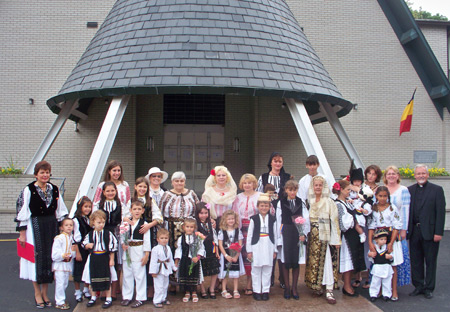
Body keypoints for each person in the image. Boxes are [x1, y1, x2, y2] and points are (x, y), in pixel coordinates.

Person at [16, 161, 68, 309]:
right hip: (35, 227)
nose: (45, 175)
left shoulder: (54, 189)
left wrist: (62, 231)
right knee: (36, 259)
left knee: (49, 259)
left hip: (51, 226)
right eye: (42, 172)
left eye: (47, 172)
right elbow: (22, 212)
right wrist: (22, 234)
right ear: (36, 174)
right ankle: (37, 293)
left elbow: (60, 211)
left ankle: (45, 292)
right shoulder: (29, 190)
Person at [407, 164, 446, 299]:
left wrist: (439, 232)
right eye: (418, 174)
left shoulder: (437, 190)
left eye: (423, 173)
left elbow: (440, 213)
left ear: (427, 175)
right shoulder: (409, 190)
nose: (421, 176)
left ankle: (429, 287)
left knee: (430, 261)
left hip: (430, 231)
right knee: (416, 261)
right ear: (415, 175)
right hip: (414, 231)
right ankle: (418, 285)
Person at [304, 176, 341, 304]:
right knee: (314, 262)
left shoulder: (329, 201)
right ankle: (317, 286)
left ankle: (329, 289)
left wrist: (336, 240)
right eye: (316, 185)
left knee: (326, 262)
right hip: (313, 235)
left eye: (320, 185)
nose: (318, 187)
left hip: (325, 232)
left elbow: (334, 221)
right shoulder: (310, 200)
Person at [367, 186, 403, 302]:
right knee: (379, 264)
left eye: (385, 196)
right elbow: (371, 227)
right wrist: (370, 243)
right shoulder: (373, 209)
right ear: (376, 196)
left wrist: (391, 243)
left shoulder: (392, 208)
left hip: (390, 238)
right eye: (380, 196)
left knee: (392, 265)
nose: (382, 198)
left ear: (388, 197)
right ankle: (380, 290)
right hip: (378, 240)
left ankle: (393, 290)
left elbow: (397, 226)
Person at [276, 180, 309, 300]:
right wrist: (279, 236)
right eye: (290, 190)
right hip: (286, 232)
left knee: (296, 262)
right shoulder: (281, 202)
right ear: (286, 190)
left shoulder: (301, 202)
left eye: (294, 190)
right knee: (285, 261)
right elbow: (278, 220)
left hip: (297, 233)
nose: (292, 192)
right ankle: (287, 287)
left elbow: (306, 218)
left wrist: (303, 233)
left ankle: (295, 287)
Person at [333, 180, 366, 297]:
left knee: (351, 262)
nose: (349, 192)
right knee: (347, 263)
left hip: (352, 236)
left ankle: (348, 285)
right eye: (348, 190)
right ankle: (346, 286)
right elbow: (342, 225)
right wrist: (353, 219)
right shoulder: (338, 204)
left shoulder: (347, 202)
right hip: (346, 237)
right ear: (341, 190)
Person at [132, 176, 163, 300]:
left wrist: (148, 225)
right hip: (134, 234)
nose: (142, 189)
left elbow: (158, 217)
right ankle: (137, 289)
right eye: (140, 186)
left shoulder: (150, 201)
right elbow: (125, 216)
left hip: (148, 232)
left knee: (148, 260)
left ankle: (150, 288)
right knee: (136, 261)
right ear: (135, 187)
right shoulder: (131, 200)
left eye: (144, 187)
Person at [81, 210, 118, 309]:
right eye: (99, 222)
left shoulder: (108, 234)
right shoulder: (90, 234)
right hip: (93, 257)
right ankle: (93, 297)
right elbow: (83, 243)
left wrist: (112, 260)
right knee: (92, 277)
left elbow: (113, 247)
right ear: (93, 222)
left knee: (107, 278)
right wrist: (87, 245)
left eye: (103, 222)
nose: (101, 225)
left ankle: (108, 298)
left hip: (104, 257)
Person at [232, 173, 260, 295]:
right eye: (245, 183)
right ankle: (236, 285)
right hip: (240, 227)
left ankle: (250, 283)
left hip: (255, 227)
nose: (247, 185)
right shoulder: (238, 197)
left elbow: (267, 211)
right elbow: (233, 213)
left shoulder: (260, 196)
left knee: (252, 254)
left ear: (254, 184)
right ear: (241, 185)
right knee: (242, 254)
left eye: (249, 182)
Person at [384, 165, 411, 292]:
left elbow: (405, 210)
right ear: (385, 176)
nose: (391, 176)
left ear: (398, 176)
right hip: (383, 230)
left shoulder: (403, 190)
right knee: (382, 259)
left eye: (393, 173)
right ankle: (383, 288)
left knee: (395, 260)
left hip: (397, 229)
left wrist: (403, 230)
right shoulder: (381, 189)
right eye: (389, 174)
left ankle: (394, 289)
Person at [120, 201, 151, 308]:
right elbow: (122, 235)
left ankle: (140, 297)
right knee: (127, 274)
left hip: (139, 250)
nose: (137, 211)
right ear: (130, 211)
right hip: (128, 250)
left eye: (139, 209)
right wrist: (123, 244)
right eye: (134, 209)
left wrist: (146, 254)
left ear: (142, 211)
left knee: (139, 274)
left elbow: (147, 240)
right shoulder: (125, 223)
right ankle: (127, 296)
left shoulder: (145, 224)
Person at [246, 193, 277, 301]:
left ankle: (265, 290)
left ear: (269, 207)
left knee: (267, 269)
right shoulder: (254, 219)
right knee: (256, 269)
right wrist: (249, 250)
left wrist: (275, 249)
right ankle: (256, 290)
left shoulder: (273, 219)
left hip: (269, 244)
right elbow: (249, 235)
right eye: (262, 206)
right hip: (256, 245)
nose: (264, 208)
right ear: (258, 207)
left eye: (266, 206)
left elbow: (275, 234)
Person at [174, 217, 205, 303]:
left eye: (191, 227)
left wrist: (198, 257)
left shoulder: (197, 238)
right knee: (186, 276)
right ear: (184, 227)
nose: (189, 229)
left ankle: (194, 292)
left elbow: (201, 248)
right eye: (187, 227)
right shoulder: (181, 238)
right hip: (184, 260)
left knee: (194, 275)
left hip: (194, 260)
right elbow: (178, 250)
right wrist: (177, 260)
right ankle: (187, 292)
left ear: (194, 228)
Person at [218, 210, 245, 299]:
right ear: (225, 220)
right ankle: (224, 290)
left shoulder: (238, 231)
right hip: (226, 255)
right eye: (229, 219)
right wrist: (226, 255)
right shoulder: (222, 231)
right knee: (226, 272)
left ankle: (235, 290)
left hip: (235, 255)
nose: (231, 221)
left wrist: (236, 256)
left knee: (235, 273)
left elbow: (240, 244)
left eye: (232, 219)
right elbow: (220, 245)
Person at [195, 202, 220, 299]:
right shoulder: (196, 224)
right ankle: (202, 289)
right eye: (201, 213)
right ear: (197, 214)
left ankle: (212, 288)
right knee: (202, 270)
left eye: (206, 213)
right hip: (201, 250)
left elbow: (215, 238)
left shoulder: (211, 223)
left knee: (214, 270)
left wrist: (217, 251)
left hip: (211, 249)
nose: (204, 215)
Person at [52, 218, 76, 310]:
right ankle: (59, 301)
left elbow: (71, 254)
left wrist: (72, 253)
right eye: (66, 225)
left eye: (71, 225)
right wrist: (62, 255)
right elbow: (54, 255)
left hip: (67, 265)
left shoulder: (71, 238)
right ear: (61, 227)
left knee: (65, 283)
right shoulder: (59, 238)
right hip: (60, 265)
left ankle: (61, 299)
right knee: (60, 283)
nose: (69, 227)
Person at [149, 228, 176, 308]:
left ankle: (163, 298)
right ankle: (157, 300)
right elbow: (153, 261)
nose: (164, 240)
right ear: (158, 239)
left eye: (166, 238)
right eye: (162, 238)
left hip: (166, 268)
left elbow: (170, 259)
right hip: (158, 270)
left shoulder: (168, 248)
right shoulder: (155, 249)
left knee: (165, 285)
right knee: (159, 286)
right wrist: (153, 271)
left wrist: (173, 266)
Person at [72, 196, 92, 302]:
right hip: (79, 248)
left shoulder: (89, 219)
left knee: (86, 269)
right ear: (80, 207)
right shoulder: (76, 220)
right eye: (85, 207)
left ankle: (86, 289)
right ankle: (77, 291)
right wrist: (77, 252)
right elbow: (75, 238)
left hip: (88, 247)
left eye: (89, 207)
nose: (87, 209)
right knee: (78, 270)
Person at [368, 228, 394, 302]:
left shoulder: (387, 248)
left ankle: (387, 294)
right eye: (381, 239)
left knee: (387, 282)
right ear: (376, 240)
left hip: (386, 267)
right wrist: (370, 255)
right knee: (375, 282)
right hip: (377, 268)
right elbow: (370, 258)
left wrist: (390, 257)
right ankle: (373, 294)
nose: (383, 241)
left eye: (385, 239)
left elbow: (392, 257)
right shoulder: (374, 248)